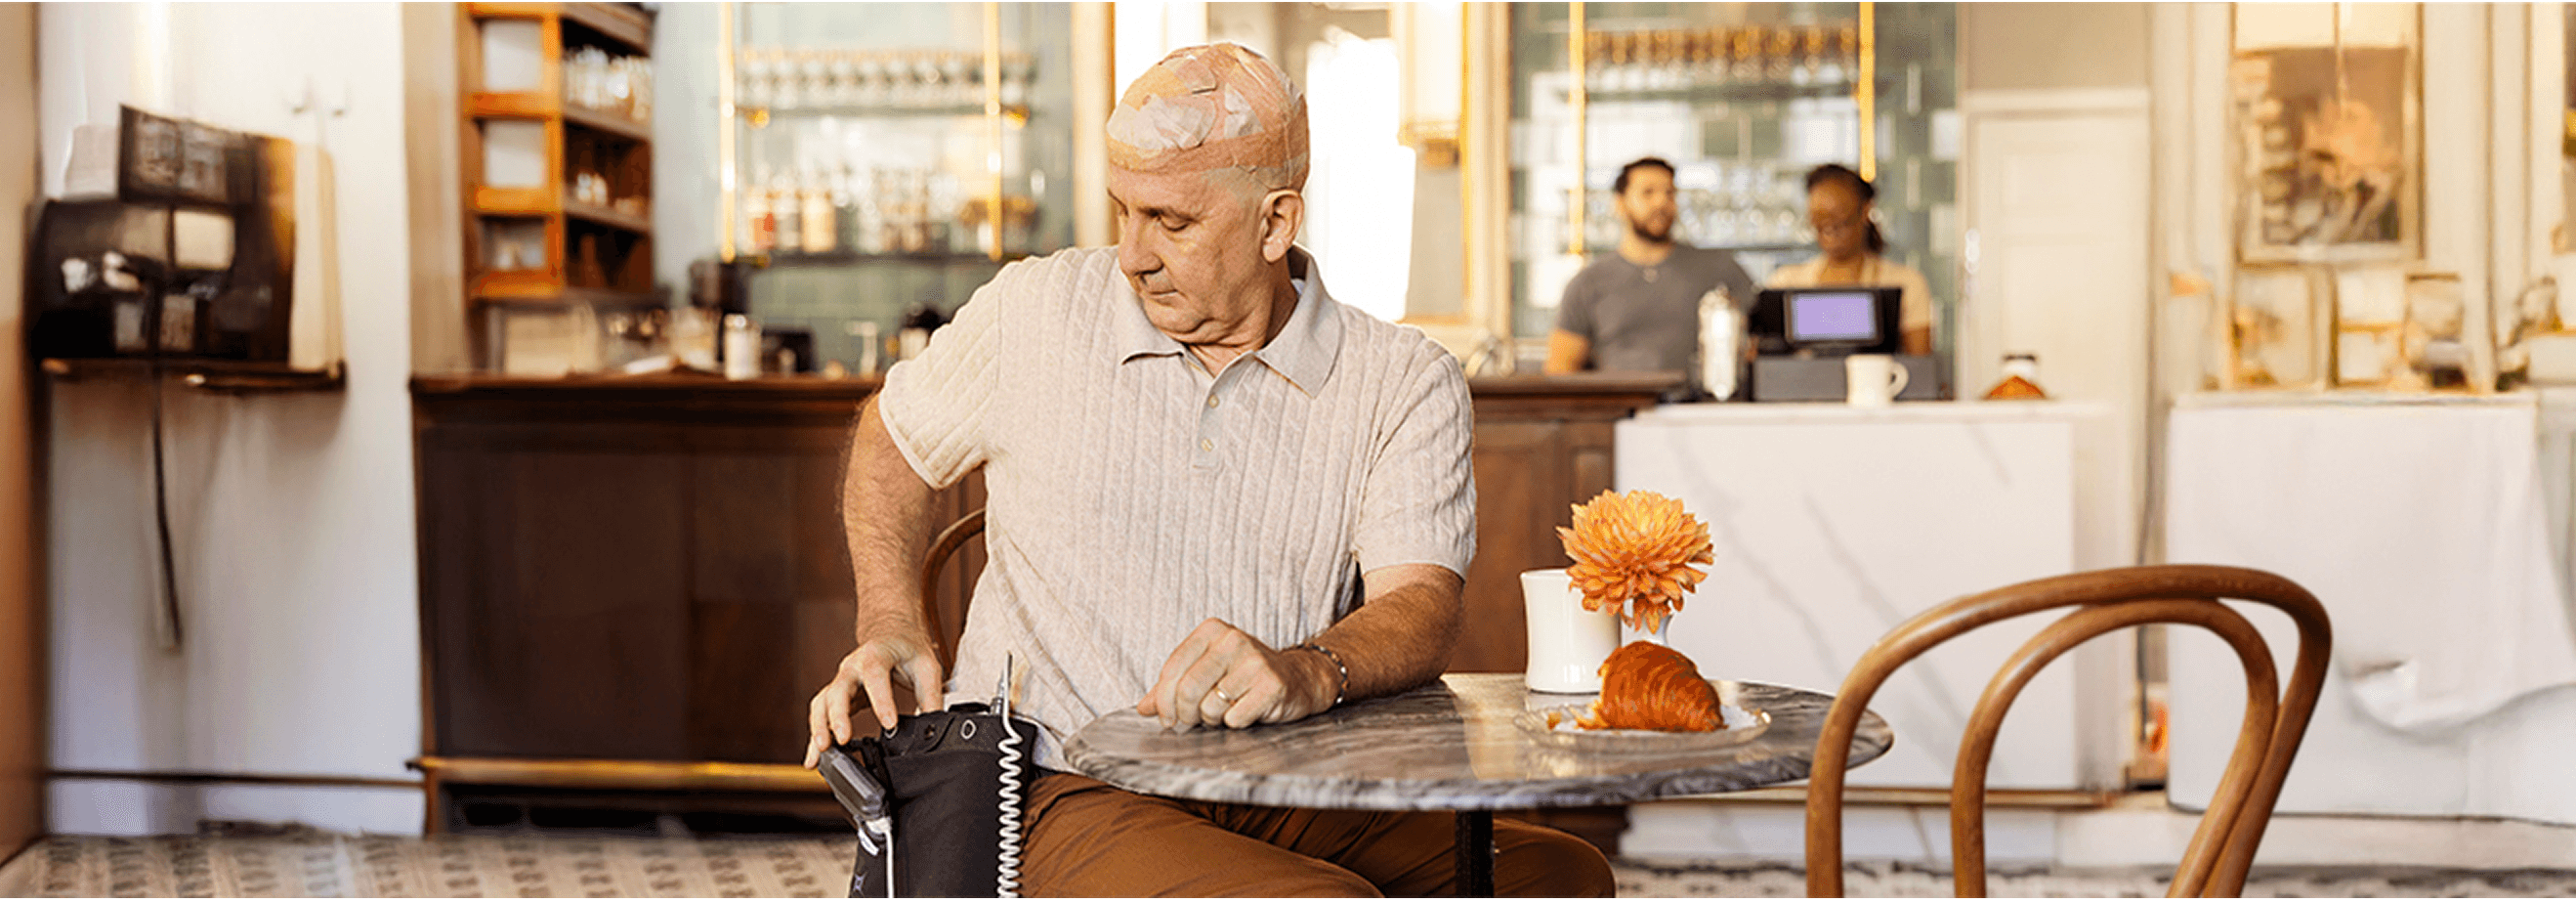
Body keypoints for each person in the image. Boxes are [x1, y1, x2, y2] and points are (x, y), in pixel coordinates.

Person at [801, 43, 1614, 898]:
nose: (1132, 255)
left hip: (1288, 776)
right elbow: (891, 438)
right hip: (1058, 780)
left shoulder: (1402, 378)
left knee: (1559, 876)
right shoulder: (1034, 309)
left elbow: (1421, 602)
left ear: (1276, 223)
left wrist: (1311, 668)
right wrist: (890, 619)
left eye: (1172, 222)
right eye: (1124, 212)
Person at [1543, 157, 1758, 374]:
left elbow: (1765, 339)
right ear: (1620, 203)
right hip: (1620, 405)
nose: (1660, 203)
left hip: (1702, 405)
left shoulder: (1719, 269)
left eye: (1669, 193)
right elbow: (1561, 367)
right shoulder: (1588, 283)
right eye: (1648, 193)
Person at [1763, 164, 1935, 357]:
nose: (1829, 226)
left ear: (1865, 211)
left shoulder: (1907, 283)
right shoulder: (1784, 283)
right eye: (1819, 218)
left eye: (1839, 216)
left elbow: (1921, 368)